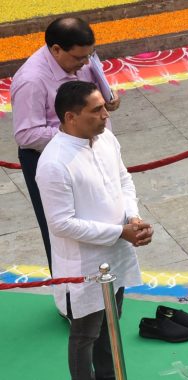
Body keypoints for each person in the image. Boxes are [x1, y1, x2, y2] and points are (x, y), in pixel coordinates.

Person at [36, 81, 150, 380]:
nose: (105, 115)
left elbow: (123, 180)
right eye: (96, 110)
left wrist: (131, 217)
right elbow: (61, 223)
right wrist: (120, 232)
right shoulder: (54, 163)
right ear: (71, 117)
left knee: (112, 321)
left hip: (116, 249)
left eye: (103, 107)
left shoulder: (106, 139)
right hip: (84, 263)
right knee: (85, 333)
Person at [11, 17, 120, 273]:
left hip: (92, 149)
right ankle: (71, 299)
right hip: (53, 161)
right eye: (78, 58)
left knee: (103, 217)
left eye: (88, 56)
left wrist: (105, 101)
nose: (84, 64)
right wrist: (73, 132)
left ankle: (106, 284)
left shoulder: (82, 60)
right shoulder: (31, 80)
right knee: (64, 233)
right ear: (56, 49)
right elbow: (27, 134)